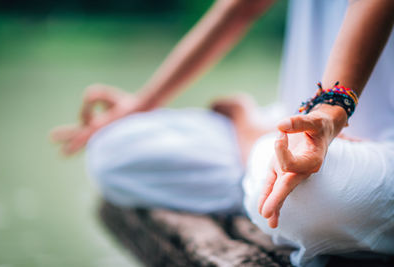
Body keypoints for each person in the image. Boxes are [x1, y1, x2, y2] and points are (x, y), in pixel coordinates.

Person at [51, 0, 394, 266]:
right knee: (114, 150)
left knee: (298, 201)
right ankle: (263, 159)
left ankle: (251, 136)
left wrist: (329, 111)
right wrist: (143, 102)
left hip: (369, 144)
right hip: (306, 123)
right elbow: (240, 6)